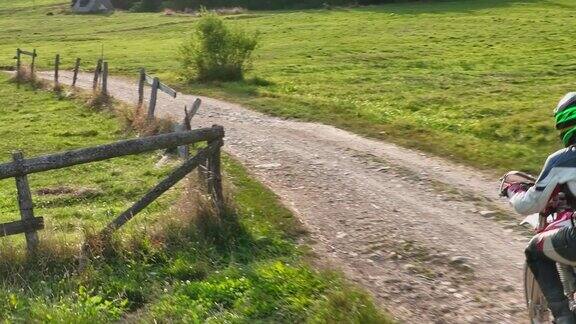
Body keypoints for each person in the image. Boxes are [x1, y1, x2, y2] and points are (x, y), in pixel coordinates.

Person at [502, 92, 576, 323]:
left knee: (535, 251)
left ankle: (564, 318)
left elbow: (528, 204)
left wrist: (512, 190)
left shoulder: (563, 160)